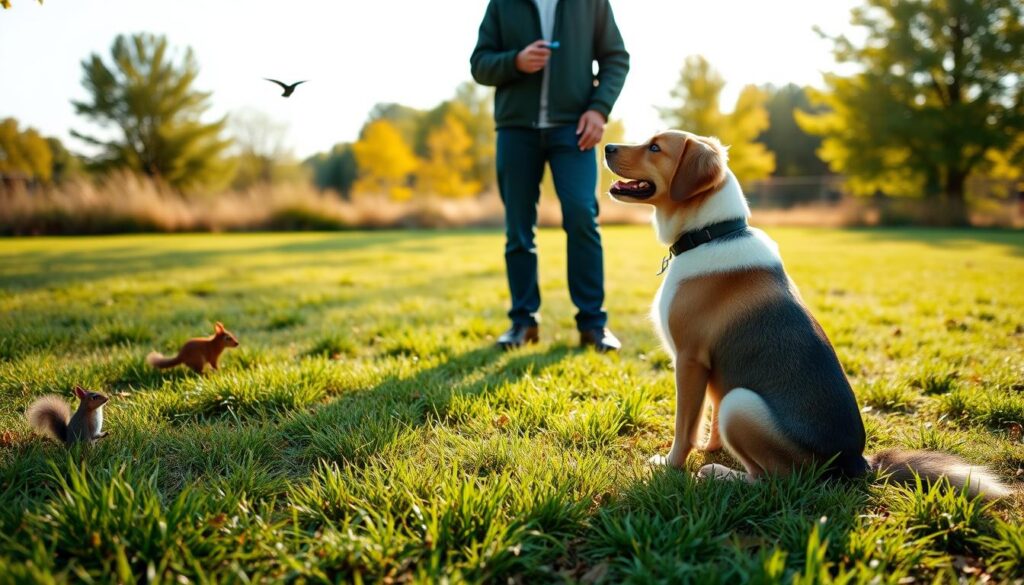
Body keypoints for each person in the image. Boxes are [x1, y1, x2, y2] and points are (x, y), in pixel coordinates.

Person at [470, 0, 629, 352]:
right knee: (518, 228)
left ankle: (593, 325)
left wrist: (599, 109)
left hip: (574, 129)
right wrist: (514, 61)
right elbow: (479, 65)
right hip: (516, 130)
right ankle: (523, 323)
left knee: (581, 216)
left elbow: (616, 58)